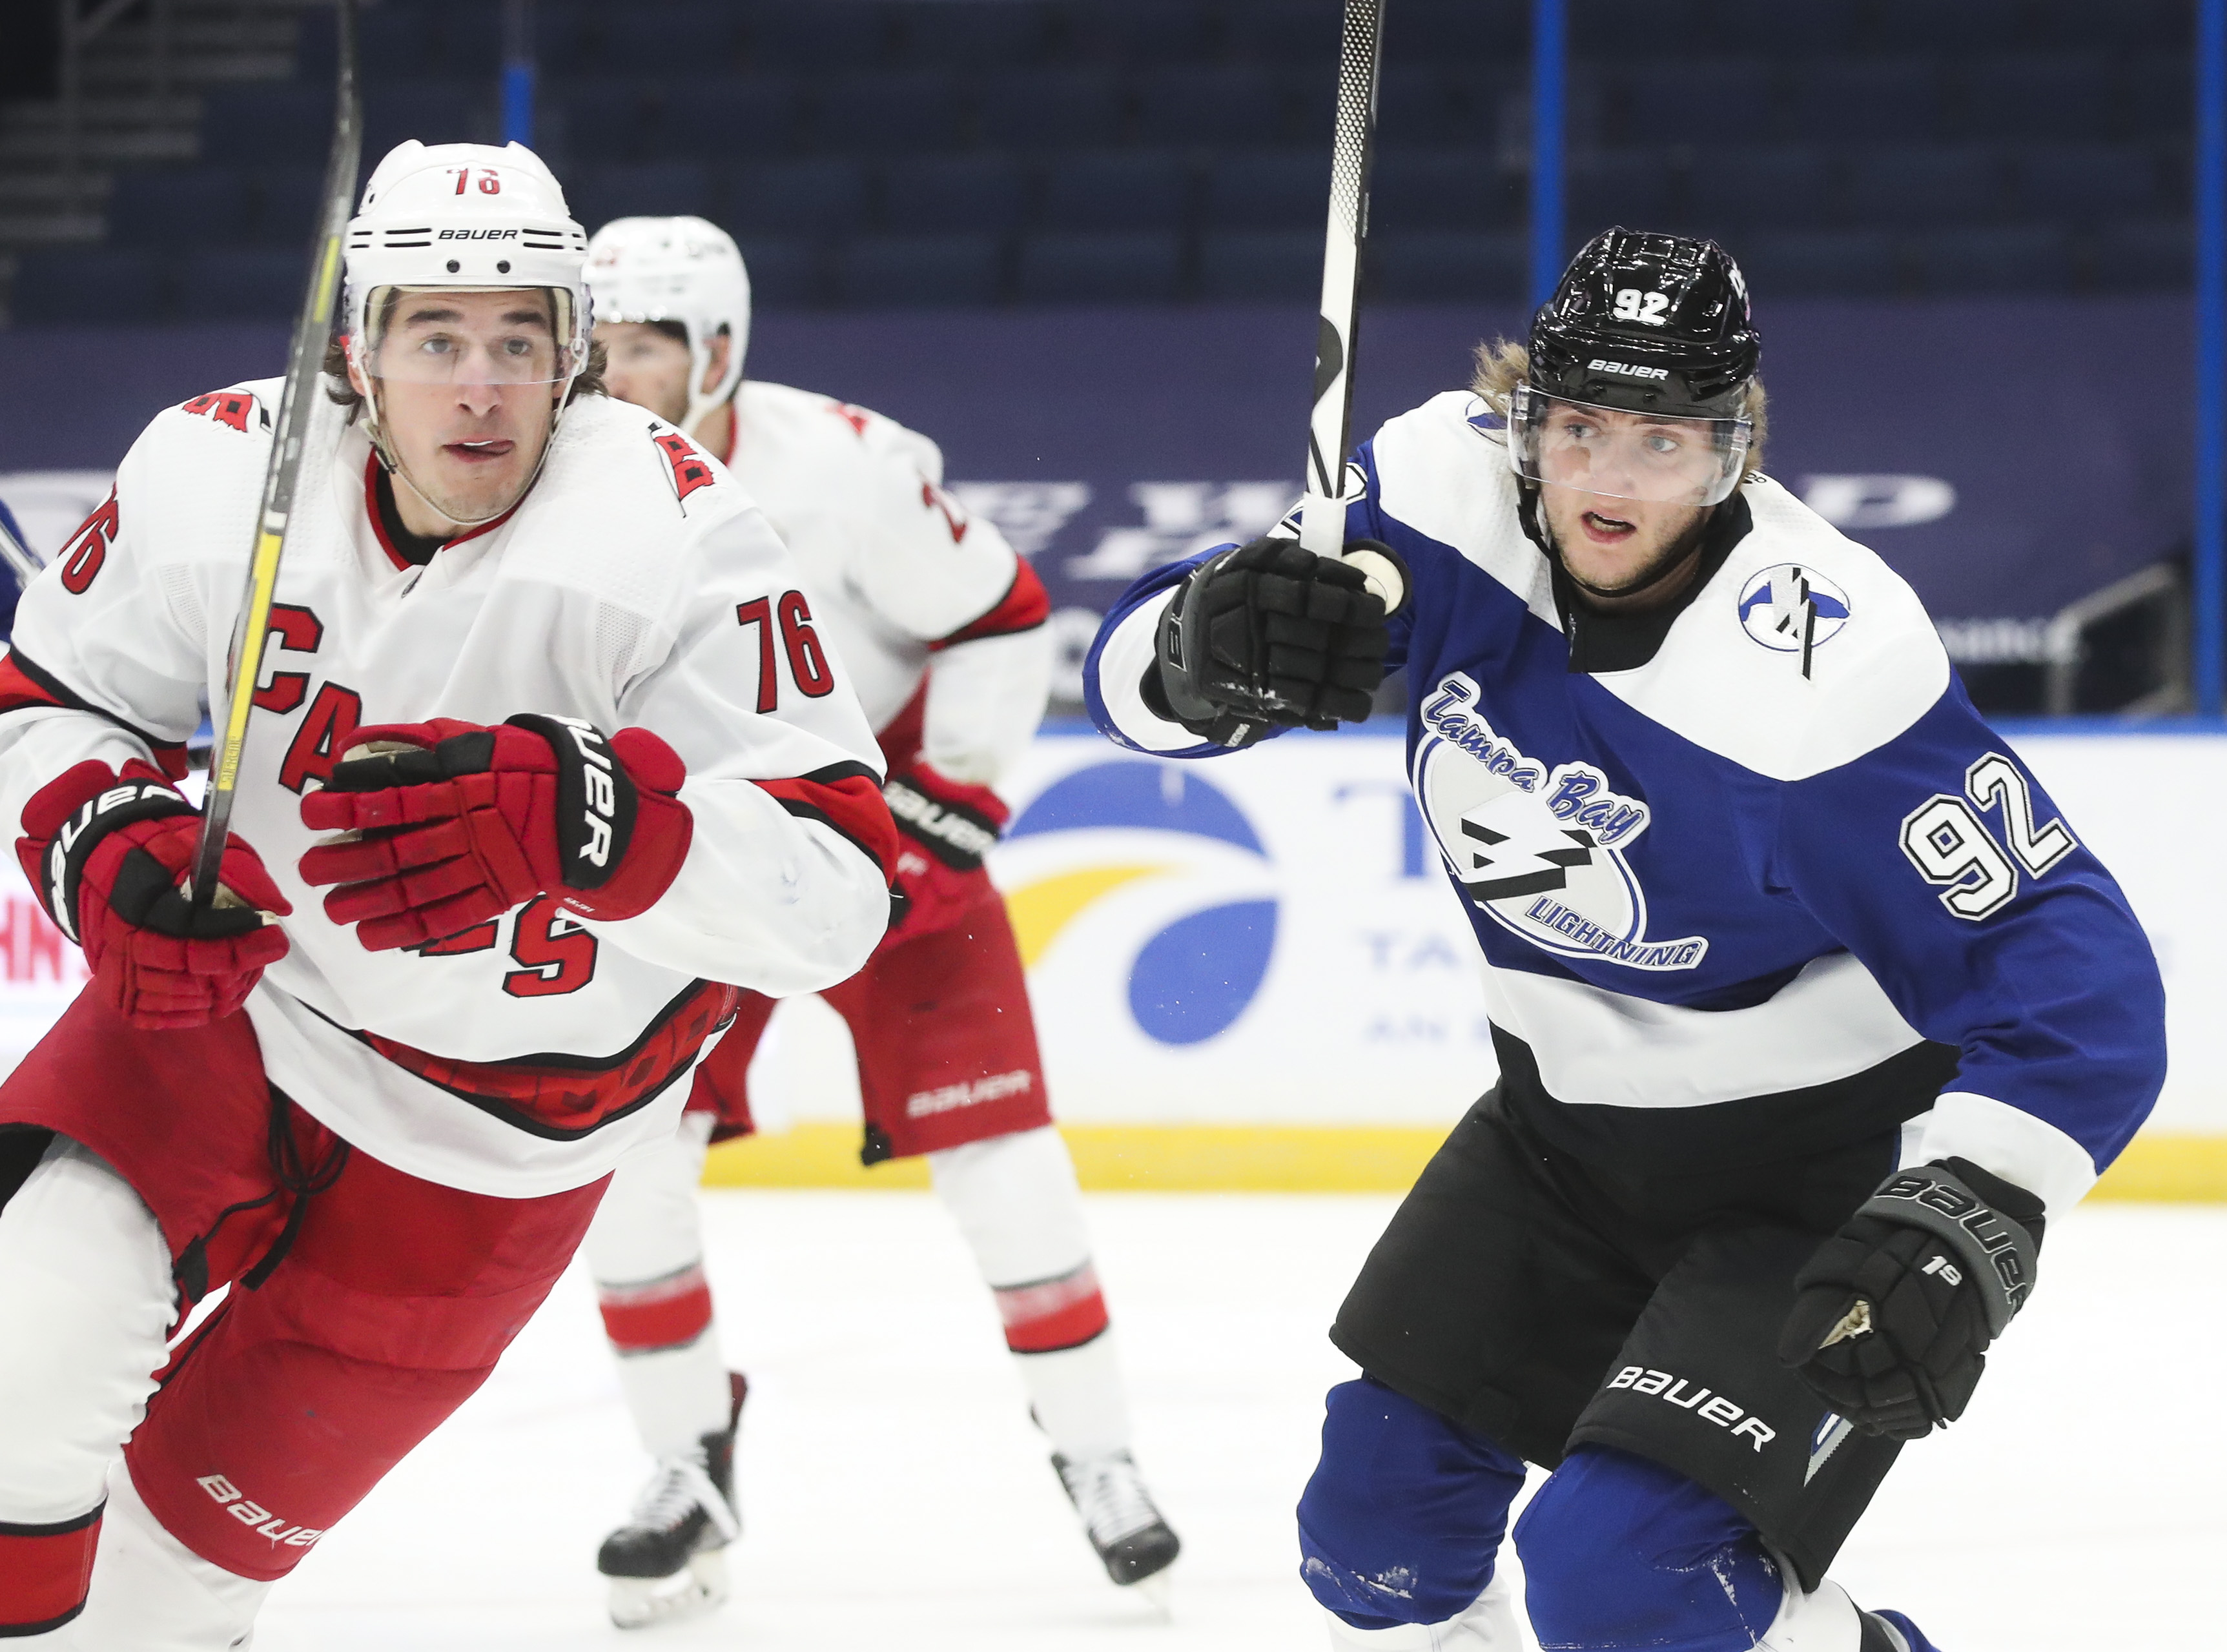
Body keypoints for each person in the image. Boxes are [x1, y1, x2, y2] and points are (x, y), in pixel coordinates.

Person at [1082, 228, 2164, 1651]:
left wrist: (1979, 1207)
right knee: (1373, 1542)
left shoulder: (1822, 665)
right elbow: (1131, 685)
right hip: (1558, 1139)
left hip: (1806, 1171)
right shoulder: (1437, 499)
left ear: (1733, 450)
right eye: (1579, 428)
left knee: (1620, 1576)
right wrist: (1196, 654)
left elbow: (2081, 971)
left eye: (1661, 439)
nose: (1606, 480)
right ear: (1527, 421)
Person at [0, 142, 896, 1647]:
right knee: (15, 1362)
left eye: (520, 342)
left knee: (157, 1602)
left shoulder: (681, 531)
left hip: (496, 1151)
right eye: (436, 338)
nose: (479, 386)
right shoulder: (214, 467)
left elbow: (842, 890)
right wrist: (100, 843)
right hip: (235, 1019)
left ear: (576, 360)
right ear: (358, 349)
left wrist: (618, 833)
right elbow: (47, 697)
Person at [576, 215, 1179, 1627]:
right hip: (683, 865)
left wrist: (954, 792)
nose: (605, 372)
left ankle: (1099, 1455)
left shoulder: (847, 471)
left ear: (718, 349)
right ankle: (685, 1468)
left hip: (879, 853)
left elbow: (1005, 610)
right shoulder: (551, 480)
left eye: (642, 345)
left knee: (1005, 1163)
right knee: (625, 1164)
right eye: (588, 341)